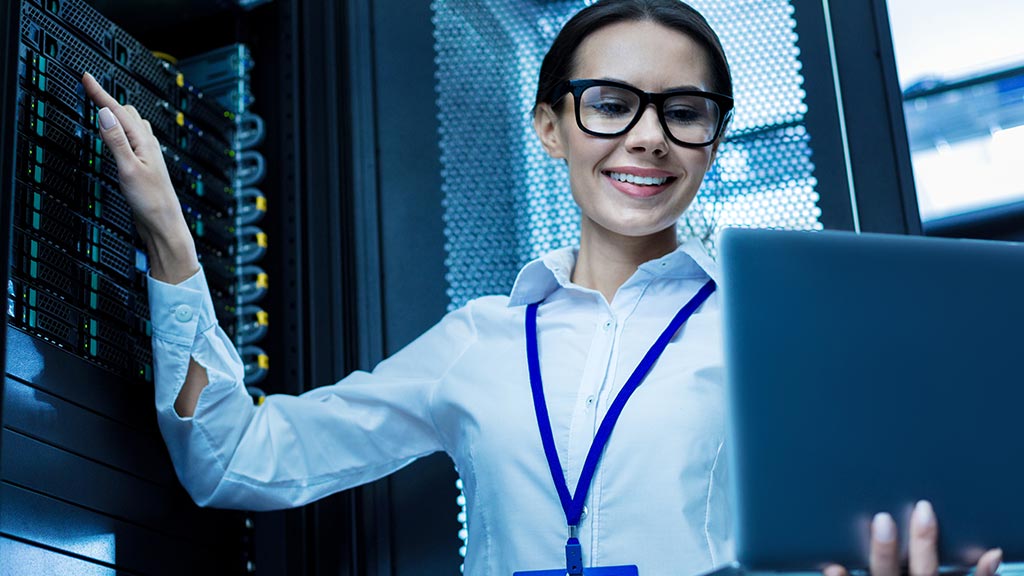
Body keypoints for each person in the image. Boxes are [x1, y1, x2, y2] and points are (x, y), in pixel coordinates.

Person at [81, 1, 1003, 575]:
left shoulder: (776, 335)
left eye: (684, 113)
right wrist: (168, 231)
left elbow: (899, 512)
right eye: (610, 103)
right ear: (552, 127)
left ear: (711, 145)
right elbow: (237, 460)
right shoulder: (479, 339)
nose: (649, 137)